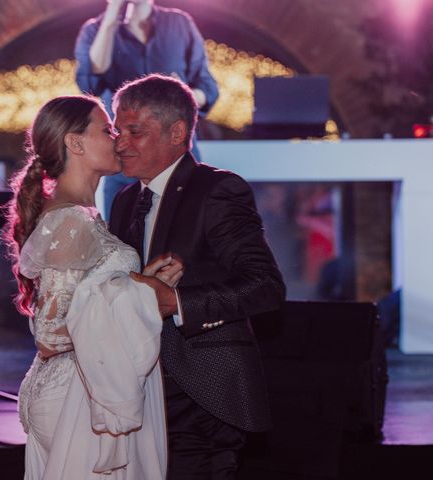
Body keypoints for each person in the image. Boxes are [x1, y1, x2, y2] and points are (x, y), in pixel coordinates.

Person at [109, 74, 286, 479]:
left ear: (177, 132)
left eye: (134, 131)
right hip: (143, 389)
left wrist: (178, 303)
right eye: (118, 130)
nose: (121, 142)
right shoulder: (124, 200)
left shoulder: (217, 190)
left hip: (204, 389)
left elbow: (266, 286)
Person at [4, 95, 183, 479]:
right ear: (75, 143)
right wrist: (141, 296)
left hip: (80, 387)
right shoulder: (71, 221)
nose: (117, 138)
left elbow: (86, 296)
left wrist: (138, 284)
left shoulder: (82, 215)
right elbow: (49, 335)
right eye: (107, 129)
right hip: (76, 394)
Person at [75, 0, 219, 220]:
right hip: (125, 159)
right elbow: (89, 82)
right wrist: (112, 14)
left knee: (186, 231)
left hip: (175, 155)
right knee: (123, 238)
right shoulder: (95, 29)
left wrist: (182, 94)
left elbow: (208, 88)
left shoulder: (179, 23)